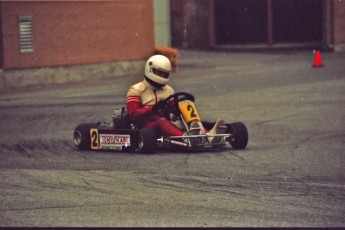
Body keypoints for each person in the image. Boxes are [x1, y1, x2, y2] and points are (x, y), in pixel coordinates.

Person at [126, 54, 225, 143]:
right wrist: (153, 108)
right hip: (145, 125)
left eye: (165, 74)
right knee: (162, 122)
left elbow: (173, 109)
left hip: (165, 122)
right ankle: (185, 138)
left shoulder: (168, 90)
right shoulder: (136, 89)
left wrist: (180, 108)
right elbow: (133, 114)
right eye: (160, 73)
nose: (162, 76)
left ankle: (207, 135)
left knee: (183, 121)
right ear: (150, 69)